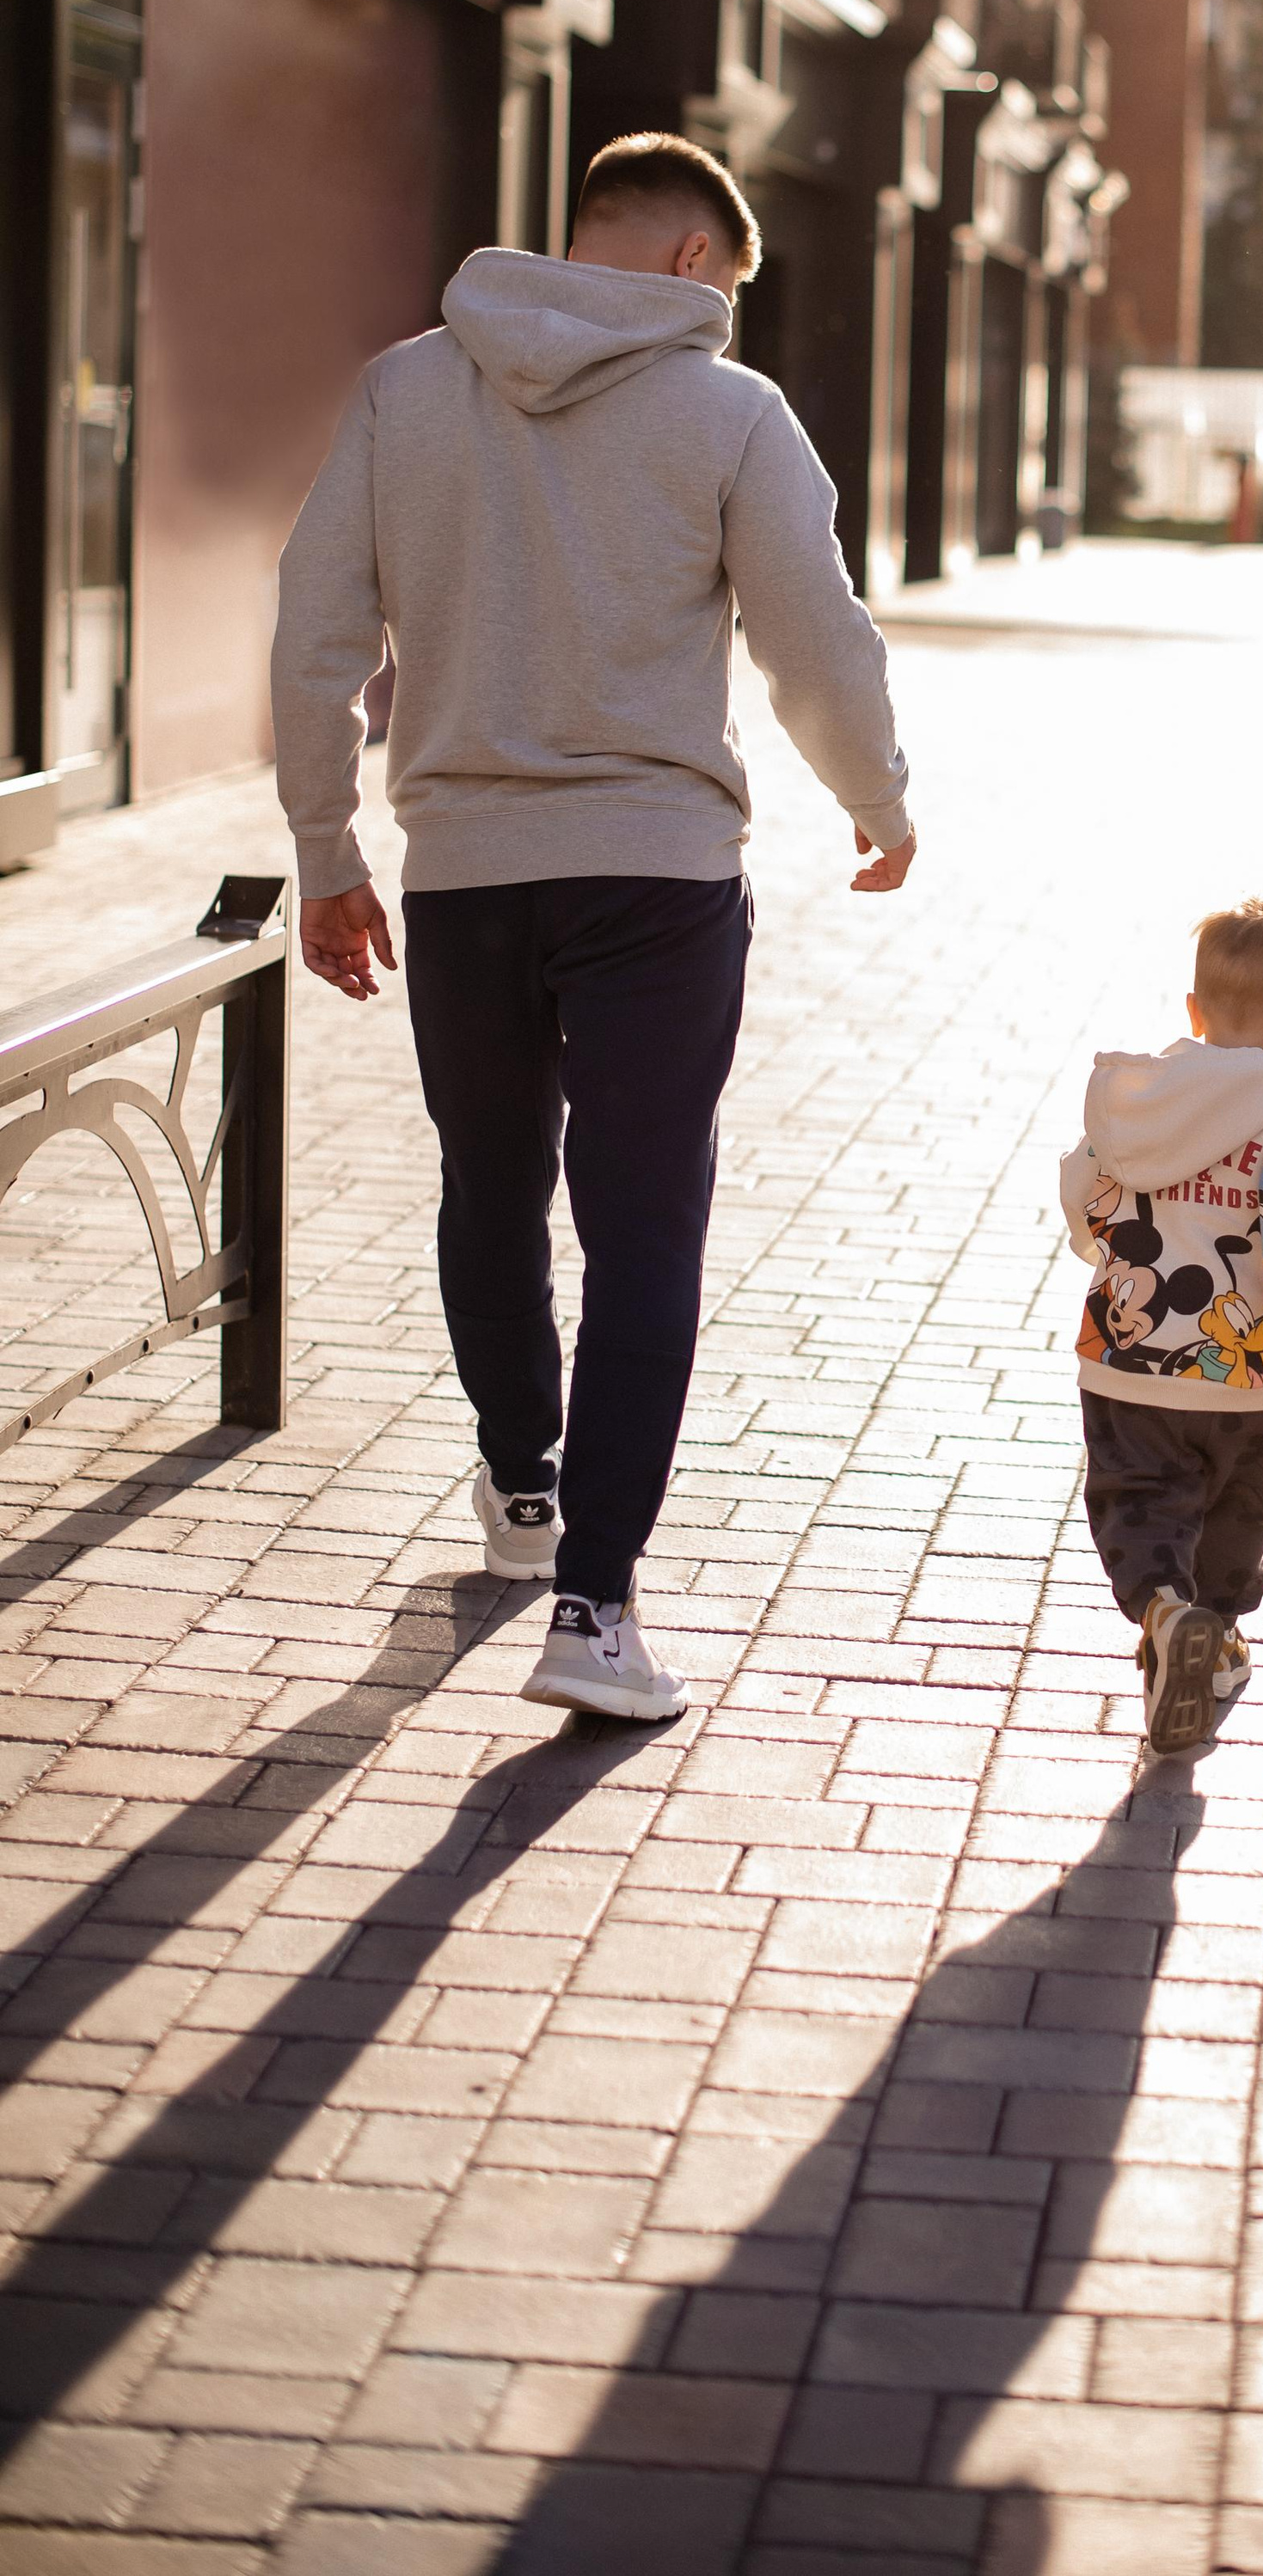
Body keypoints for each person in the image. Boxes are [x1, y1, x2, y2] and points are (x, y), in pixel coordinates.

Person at [271, 132, 914, 1723]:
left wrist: (325, 846)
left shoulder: (407, 387)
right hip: (658, 880)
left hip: (463, 873)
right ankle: (596, 1605)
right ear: (697, 260)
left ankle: (521, 1483)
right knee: (644, 1228)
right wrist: (878, 796)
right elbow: (816, 637)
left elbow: (316, 628)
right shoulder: (731, 410)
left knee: (490, 1185)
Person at [1061, 899, 1263, 1755]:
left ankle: (1166, 1614)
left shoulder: (1134, 1100)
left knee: (1138, 1498)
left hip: (1132, 1364)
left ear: (1195, 1011)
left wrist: (1098, 1240)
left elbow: (1085, 1199)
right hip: (1258, 1384)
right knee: (1240, 1513)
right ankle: (1218, 1631)